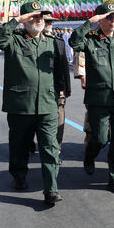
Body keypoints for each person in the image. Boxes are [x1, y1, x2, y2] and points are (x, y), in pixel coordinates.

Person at [0, 1, 66, 205]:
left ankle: (51, 189)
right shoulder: (13, 40)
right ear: (24, 20)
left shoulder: (51, 42)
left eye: (41, 16)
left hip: (48, 104)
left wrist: (59, 94)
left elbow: (58, 72)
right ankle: (19, 174)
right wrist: (15, 20)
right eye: (34, 16)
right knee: (19, 145)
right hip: (20, 104)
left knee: (50, 147)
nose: (39, 19)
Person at [69, 3, 114, 195]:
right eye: (109, 17)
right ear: (100, 19)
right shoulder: (90, 40)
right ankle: (89, 156)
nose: (113, 20)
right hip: (98, 98)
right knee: (100, 138)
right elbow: (73, 42)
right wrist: (89, 22)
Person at [43, 15, 71, 163]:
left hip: (57, 88)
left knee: (59, 120)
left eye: (51, 22)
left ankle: (56, 150)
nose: (49, 24)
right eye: (46, 21)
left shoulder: (58, 42)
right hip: (39, 89)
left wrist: (67, 87)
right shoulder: (31, 40)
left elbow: (65, 66)